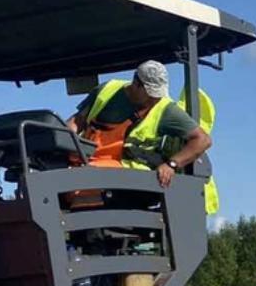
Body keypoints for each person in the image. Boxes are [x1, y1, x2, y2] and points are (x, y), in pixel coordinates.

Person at [68, 60, 210, 189]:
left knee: (75, 180)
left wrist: (172, 164)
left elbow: (202, 140)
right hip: (88, 160)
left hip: (130, 175)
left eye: (157, 94)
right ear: (135, 83)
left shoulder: (166, 110)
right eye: (150, 93)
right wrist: (67, 139)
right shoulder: (107, 90)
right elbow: (78, 120)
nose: (154, 98)